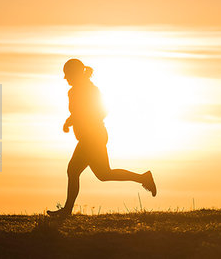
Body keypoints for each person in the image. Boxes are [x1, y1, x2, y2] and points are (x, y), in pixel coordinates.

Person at [47, 59, 157, 217]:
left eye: (67, 74)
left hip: (93, 137)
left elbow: (102, 111)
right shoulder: (74, 91)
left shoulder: (90, 90)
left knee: (73, 170)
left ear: (75, 73)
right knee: (104, 174)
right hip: (89, 137)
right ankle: (143, 178)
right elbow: (77, 112)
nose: (65, 78)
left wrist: (84, 120)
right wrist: (69, 121)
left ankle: (67, 211)